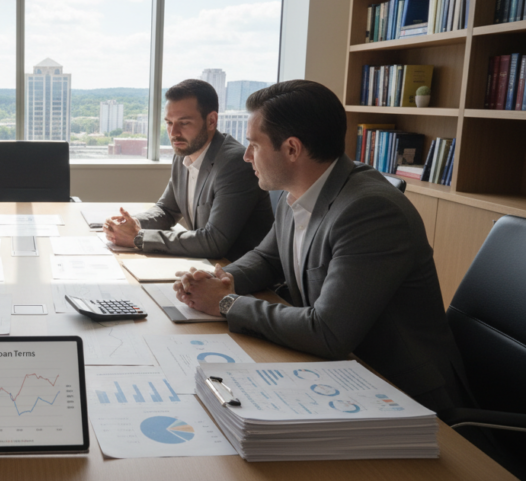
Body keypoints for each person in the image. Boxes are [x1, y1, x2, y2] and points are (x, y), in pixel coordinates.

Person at [174, 79, 470, 413]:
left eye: (254, 145)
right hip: (339, 375)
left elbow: (328, 331)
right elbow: (267, 259)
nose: (245, 156)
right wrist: (217, 280)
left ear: (291, 149)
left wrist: (227, 303)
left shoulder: (371, 211)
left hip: (402, 394)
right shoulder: (296, 191)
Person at [104, 79, 273, 261]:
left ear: (211, 121)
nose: (174, 132)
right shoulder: (183, 152)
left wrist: (139, 238)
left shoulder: (235, 163)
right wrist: (131, 224)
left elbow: (213, 241)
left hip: (235, 273)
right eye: (169, 123)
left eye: (184, 123)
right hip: (204, 267)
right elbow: (167, 210)